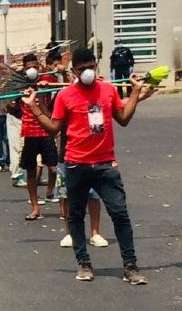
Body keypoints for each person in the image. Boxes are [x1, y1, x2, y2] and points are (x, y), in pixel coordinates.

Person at [24, 47, 156, 284]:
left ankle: (130, 266)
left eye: (91, 67)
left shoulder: (107, 90)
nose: (87, 72)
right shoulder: (65, 96)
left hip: (106, 164)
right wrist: (34, 108)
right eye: (82, 69)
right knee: (75, 216)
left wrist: (136, 93)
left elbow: (123, 118)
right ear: (74, 71)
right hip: (76, 164)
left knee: (120, 213)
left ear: (96, 66)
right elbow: (54, 128)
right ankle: (83, 263)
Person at [16, 54, 58, 220]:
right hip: (29, 133)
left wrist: (42, 90)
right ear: (24, 69)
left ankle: (49, 192)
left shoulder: (46, 80)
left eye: (34, 66)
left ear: (39, 67)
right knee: (31, 171)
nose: (32, 70)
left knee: (54, 167)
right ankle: (35, 207)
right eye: (28, 68)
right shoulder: (19, 84)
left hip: (46, 130)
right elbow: (10, 106)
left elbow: (61, 84)